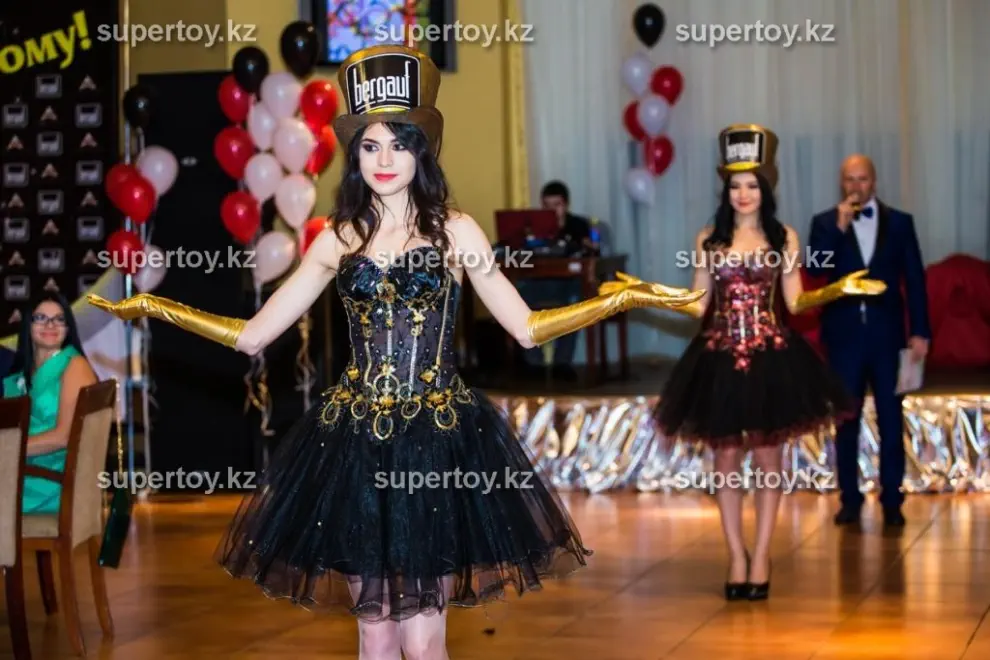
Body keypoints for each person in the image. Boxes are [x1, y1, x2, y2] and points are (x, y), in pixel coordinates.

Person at [87, 45, 705, 659]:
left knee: (424, 637)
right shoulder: (337, 238)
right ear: (354, 155)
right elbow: (254, 335)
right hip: (354, 443)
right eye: (370, 146)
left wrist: (619, 300)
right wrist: (159, 308)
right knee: (375, 633)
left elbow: (524, 328)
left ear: (422, 149)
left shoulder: (456, 231)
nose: (384, 160)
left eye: (399, 144)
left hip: (437, 441)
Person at [608, 125, 885, 601]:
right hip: (718, 357)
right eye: (735, 185)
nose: (742, 194)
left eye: (751, 184)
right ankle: (736, 554)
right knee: (726, 461)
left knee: (769, 459)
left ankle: (761, 556)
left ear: (765, 187)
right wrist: (642, 292)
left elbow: (795, 303)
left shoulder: (784, 237)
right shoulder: (708, 239)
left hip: (771, 357)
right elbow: (698, 304)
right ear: (726, 189)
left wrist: (840, 288)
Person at [807, 154, 930, 527]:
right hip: (843, 337)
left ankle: (892, 499)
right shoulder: (824, 222)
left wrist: (921, 331)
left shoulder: (900, 222)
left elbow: (915, 279)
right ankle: (850, 498)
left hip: (888, 337)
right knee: (847, 420)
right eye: (849, 179)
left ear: (874, 182)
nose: (856, 186)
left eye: (862, 179)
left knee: (891, 420)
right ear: (841, 183)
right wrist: (838, 229)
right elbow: (814, 268)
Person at [2, 292, 98, 513]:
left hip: (50, 478)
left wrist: (9, 449)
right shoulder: (20, 374)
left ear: (68, 327)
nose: (50, 325)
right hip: (21, 470)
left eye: (59, 319)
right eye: (41, 318)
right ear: (28, 325)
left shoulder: (74, 366)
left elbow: (64, 436)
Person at [514, 181, 593, 379]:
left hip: (567, 283)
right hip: (537, 283)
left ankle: (562, 363)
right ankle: (534, 363)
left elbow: (590, 253)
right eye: (547, 206)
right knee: (518, 299)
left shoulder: (578, 226)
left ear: (566, 205)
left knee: (574, 303)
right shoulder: (532, 228)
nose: (552, 211)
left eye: (556, 205)